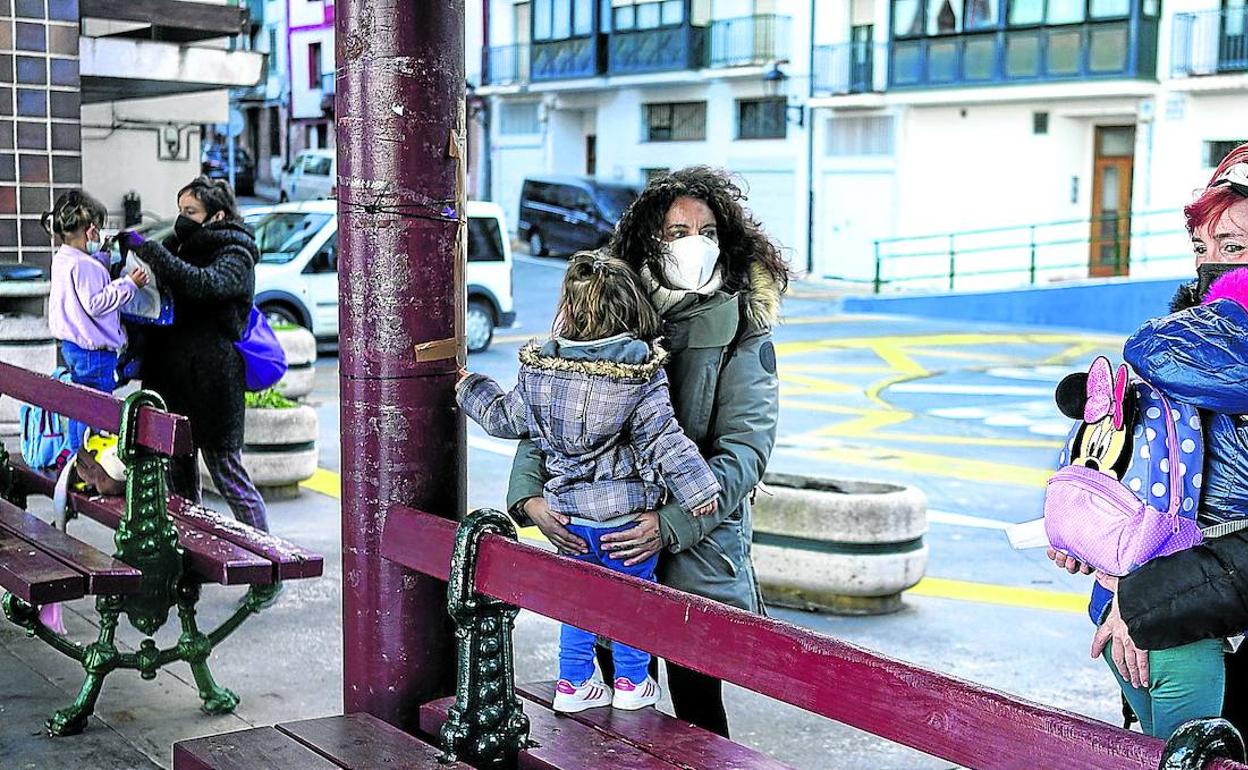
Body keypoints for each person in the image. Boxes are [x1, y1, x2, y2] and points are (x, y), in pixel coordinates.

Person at [506, 166, 788, 737]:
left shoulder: (742, 329)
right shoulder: (608, 307)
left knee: (697, 714)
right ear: (648, 239)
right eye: (678, 230)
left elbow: (745, 452)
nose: (695, 244)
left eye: (707, 232)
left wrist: (669, 524)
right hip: (605, 536)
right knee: (612, 712)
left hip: (695, 552)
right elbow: (554, 402)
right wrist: (529, 496)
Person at [458, 252, 720, 714]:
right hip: (624, 521)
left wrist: (468, 387)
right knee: (630, 602)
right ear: (633, 308)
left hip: (570, 521)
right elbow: (664, 438)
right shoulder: (639, 376)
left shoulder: (541, 372)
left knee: (578, 602)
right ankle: (631, 681)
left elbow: (503, 417)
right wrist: (699, 491)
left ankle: (573, 682)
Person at [1049, 143, 1248, 737]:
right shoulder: (1188, 347)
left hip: (1182, 624)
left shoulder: (1188, 349)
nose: (1212, 265)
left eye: (1234, 248)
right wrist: (1103, 554)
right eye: (1202, 248)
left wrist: (1149, 605)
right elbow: (1148, 479)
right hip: (1146, 626)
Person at [117, 177, 269, 534]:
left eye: (191, 211)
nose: (182, 218)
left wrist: (153, 251)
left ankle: (268, 567)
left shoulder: (237, 253)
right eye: (180, 210)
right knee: (180, 483)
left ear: (216, 216)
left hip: (214, 385)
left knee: (229, 476)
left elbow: (204, 284)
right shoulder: (179, 245)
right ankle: (191, 562)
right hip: (173, 381)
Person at [44, 190, 149, 458]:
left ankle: (76, 457)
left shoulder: (63, 258)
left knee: (81, 403)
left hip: (72, 347)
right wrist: (129, 284)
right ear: (91, 230)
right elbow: (96, 303)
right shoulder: (85, 266)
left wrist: (101, 260)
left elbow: (84, 284)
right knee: (96, 411)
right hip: (95, 353)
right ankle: (86, 459)